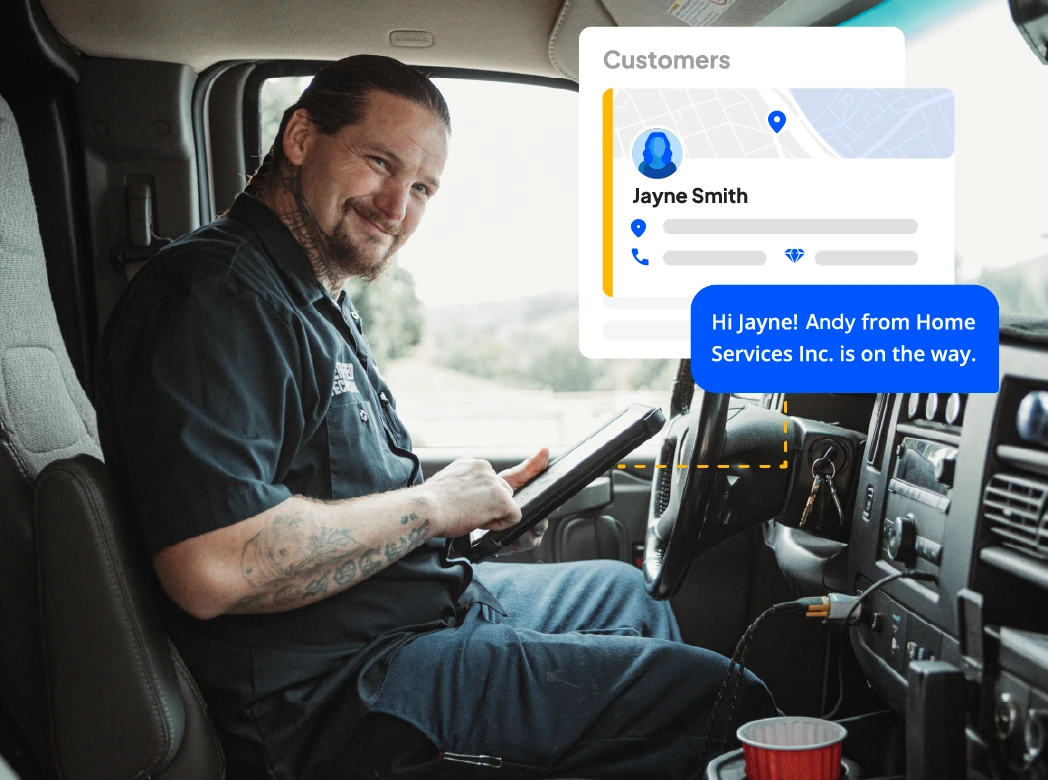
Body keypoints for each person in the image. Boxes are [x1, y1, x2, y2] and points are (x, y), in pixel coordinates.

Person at [95, 55, 776, 780]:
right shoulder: (217, 297)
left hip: (408, 621)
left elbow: (333, 497)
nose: (396, 206)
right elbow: (212, 566)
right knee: (730, 703)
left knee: (627, 595)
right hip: (336, 697)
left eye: (421, 187)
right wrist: (428, 507)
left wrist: (460, 518)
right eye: (379, 163)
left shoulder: (313, 296)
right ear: (299, 137)